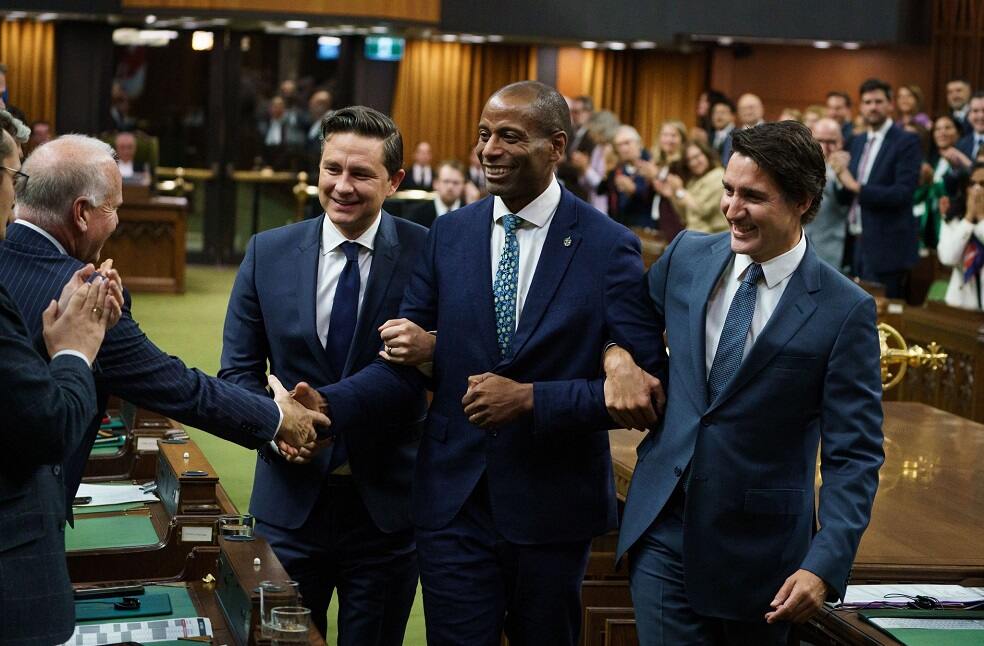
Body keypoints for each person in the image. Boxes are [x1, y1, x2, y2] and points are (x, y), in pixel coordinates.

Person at [309, 81, 666, 645]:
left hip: (552, 507)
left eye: (509, 136)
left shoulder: (607, 244)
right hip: (454, 501)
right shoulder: (449, 233)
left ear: (556, 147)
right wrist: (328, 403)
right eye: (483, 134)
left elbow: (645, 388)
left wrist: (531, 399)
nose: (489, 150)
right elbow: (404, 357)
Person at [610, 120, 884, 645]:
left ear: (802, 200)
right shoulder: (688, 254)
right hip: (664, 526)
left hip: (765, 560)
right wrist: (617, 357)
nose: (731, 210)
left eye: (753, 197)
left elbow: (856, 454)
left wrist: (826, 563)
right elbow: (628, 318)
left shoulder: (844, 309)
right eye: (729, 190)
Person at [0, 134, 328, 514]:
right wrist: (277, 417)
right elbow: (180, 389)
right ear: (81, 213)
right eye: (113, 208)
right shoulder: (84, 297)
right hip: (24, 522)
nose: (118, 221)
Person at [220, 106, 427, 642]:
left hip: (386, 512)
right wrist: (278, 432)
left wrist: (323, 411)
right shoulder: (268, 252)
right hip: (288, 506)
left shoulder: (429, 254)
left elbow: (422, 373)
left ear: (395, 180)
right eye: (332, 169)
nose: (343, 186)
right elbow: (237, 374)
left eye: (361, 174)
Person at [0, 123, 122, 644]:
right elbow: (49, 425)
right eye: (12, 175)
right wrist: (73, 348)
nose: (15, 193)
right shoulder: (73, 288)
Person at [831, 78, 922, 297]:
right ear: (861, 107)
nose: (873, 107)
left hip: (886, 246)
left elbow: (902, 193)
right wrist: (838, 178)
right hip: (853, 242)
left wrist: (855, 186)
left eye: (879, 101)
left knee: (883, 318)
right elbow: (845, 196)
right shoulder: (856, 140)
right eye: (868, 102)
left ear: (891, 104)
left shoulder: (906, 141)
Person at [913, 115, 971, 250]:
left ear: (958, 132)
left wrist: (934, 181)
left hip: (955, 227)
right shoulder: (932, 160)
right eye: (938, 129)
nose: (942, 132)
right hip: (930, 226)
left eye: (947, 127)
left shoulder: (963, 157)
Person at [937, 163, 984, 309]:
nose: (977, 190)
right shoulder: (953, 218)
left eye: (983, 184)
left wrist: (982, 218)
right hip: (960, 304)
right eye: (972, 184)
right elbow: (948, 258)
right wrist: (969, 219)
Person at [806, 118, 851, 269]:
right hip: (799, 242)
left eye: (831, 142)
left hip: (832, 247)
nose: (825, 147)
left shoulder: (850, 167)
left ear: (841, 142)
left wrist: (841, 174)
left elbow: (846, 198)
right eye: (820, 140)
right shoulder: (801, 164)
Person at [657, 140, 727, 233]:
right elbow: (685, 216)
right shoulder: (693, 181)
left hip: (713, 237)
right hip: (695, 234)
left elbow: (702, 209)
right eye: (689, 160)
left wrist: (680, 190)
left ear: (706, 154)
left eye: (696, 156)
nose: (694, 163)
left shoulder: (718, 175)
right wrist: (672, 195)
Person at [599, 124, 654, 228]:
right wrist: (607, 170)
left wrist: (633, 189)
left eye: (627, 143)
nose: (624, 148)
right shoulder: (618, 168)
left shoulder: (650, 164)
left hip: (645, 226)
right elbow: (600, 190)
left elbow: (650, 195)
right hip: (621, 225)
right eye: (619, 145)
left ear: (639, 144)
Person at [406, 159, 467, 228]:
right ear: (435, 184)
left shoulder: (470, 215)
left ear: (464, 186)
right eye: (446, 181)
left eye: (456, 183)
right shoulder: (417, 214)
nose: (450, 187)